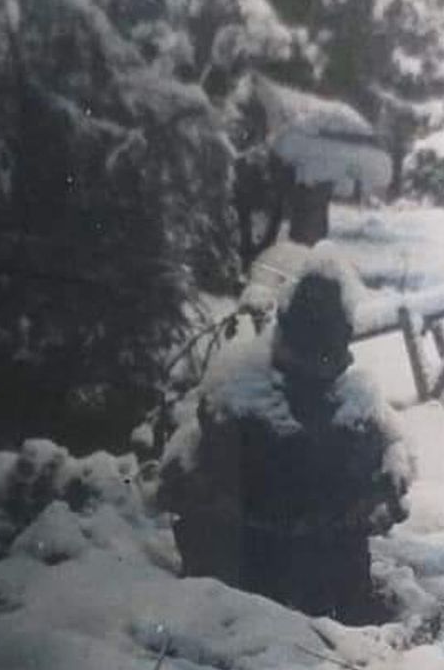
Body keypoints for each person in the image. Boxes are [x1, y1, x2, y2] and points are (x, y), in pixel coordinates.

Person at [160, 252, 411, 621]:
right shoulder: (240, 391)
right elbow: (185, 476)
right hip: (243, 572)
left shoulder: (352, 401)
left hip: (323, 574)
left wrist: (387, 475)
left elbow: (386, 469)